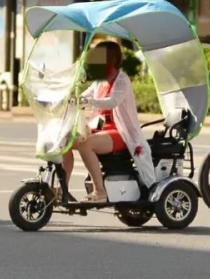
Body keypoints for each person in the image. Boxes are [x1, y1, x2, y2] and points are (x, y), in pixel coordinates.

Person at [62, 41, 153, 202]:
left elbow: (113, 101)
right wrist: (72, 98)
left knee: (86, 144)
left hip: (119, 132)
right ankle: (63, 189)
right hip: (100, 128)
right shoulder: (100, 81)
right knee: (65, 141)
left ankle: (100, 191)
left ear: (111, 60)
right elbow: (87, 95)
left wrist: (90, 102)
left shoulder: (122, 80)